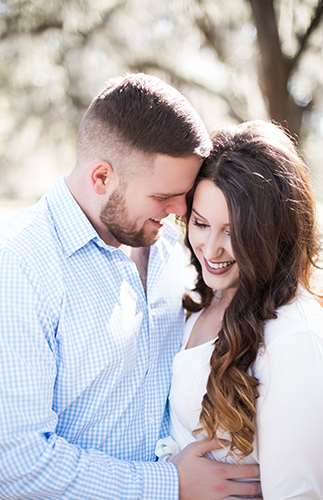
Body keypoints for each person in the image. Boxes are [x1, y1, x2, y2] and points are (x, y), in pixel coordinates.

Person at [0, 74, 261, 499]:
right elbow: (16, 463)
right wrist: (169, 485)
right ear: (102, 177)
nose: (181, 210)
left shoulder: (173, 249)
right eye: (164, 197)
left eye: (185, 194)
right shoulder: (19, 267)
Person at [156, 120, 323, 499]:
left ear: (271, 233)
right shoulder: (203, 300)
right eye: (200, 223)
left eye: (233, 232)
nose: (211, 249)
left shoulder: (293, 336)